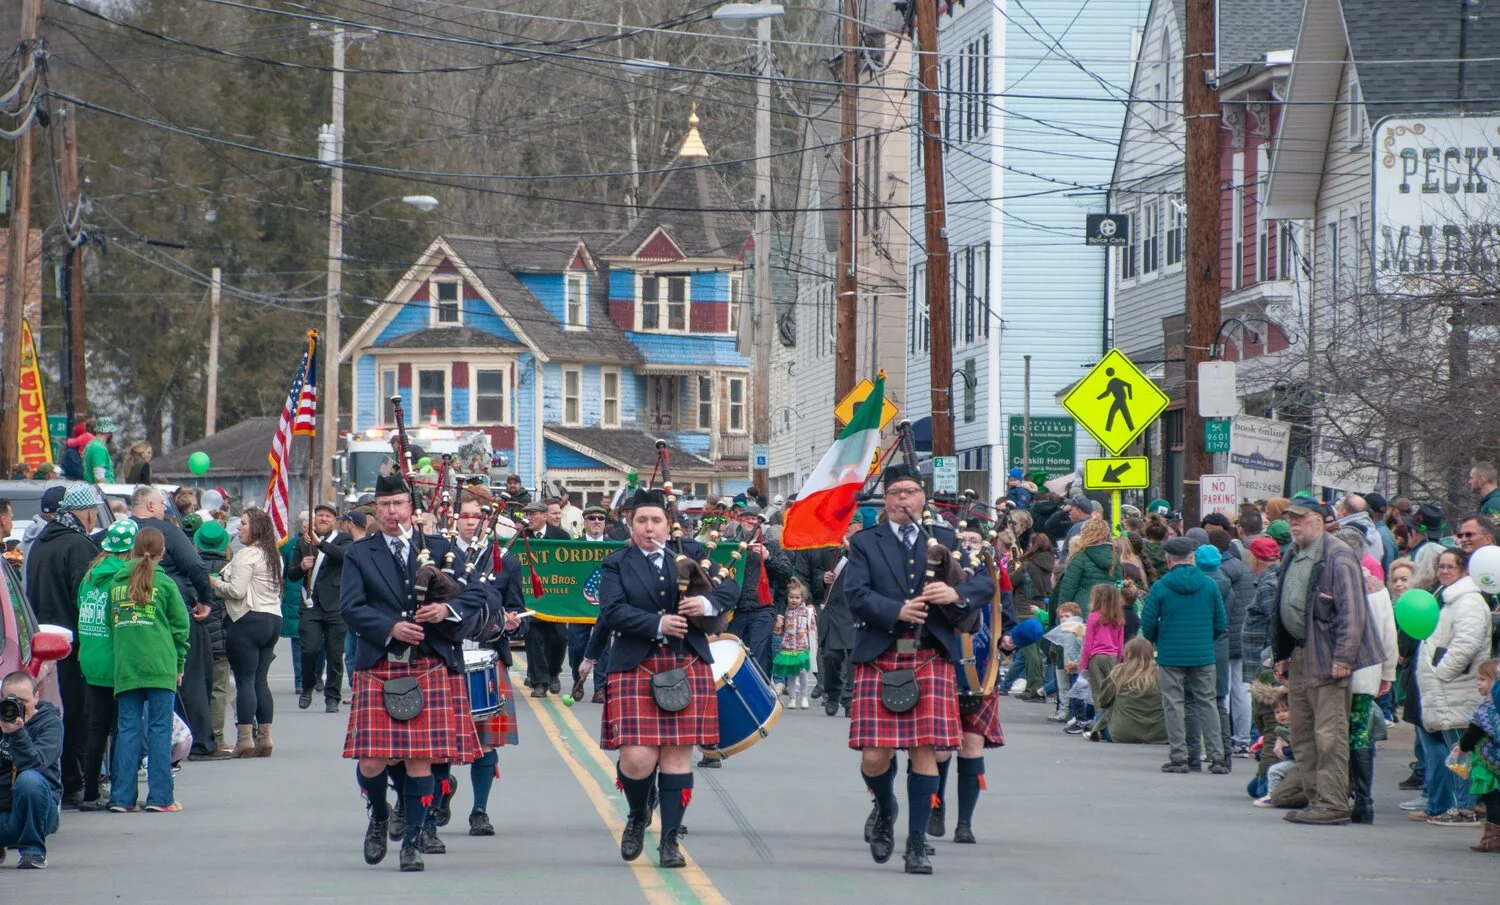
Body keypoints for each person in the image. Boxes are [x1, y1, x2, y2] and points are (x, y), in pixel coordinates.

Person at [845, 465, 994, 875]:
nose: (903, 499)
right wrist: (897, 610)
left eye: (910, 491)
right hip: (882, 652)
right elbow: (854, 595)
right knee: (875, 756)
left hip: (930, 655)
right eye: (895, 493)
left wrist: (955, 593)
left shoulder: (945, 539)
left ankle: (916, 845)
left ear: (922, 497)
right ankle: (884, 804)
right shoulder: (865, 543)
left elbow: (986, 583)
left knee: (924, 750)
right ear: (886, 499)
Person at [341, 470, 489, 872]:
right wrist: (389, 627)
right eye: (385, 505)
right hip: (381, 663)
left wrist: (446, 608)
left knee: (419, 760)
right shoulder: (360, 553)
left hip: (429, 662)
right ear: (377, 509)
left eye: (399, 504)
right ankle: (378, 813)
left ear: (411, 508)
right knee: (372, 762)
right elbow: (351, 608)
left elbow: (481, 593)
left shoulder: (440, 548)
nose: (392, 512)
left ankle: (411, 843)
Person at [596, 487, 739, 870]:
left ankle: (671, 840)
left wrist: (706, 603)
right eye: (641, 520)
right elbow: (611, 611)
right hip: (636, 663)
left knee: (677, 756)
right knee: (637, 759)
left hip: (685, 662)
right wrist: (657, 622)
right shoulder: (617, 563)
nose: (649, 528)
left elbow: (730, 587)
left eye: (655, 520)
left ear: (666, 523)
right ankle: (639, 813)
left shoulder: (690, 553)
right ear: (630, 524)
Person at [1269, 497, 1384, 825]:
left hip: (1328, 657)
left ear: (1319, 520)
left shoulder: (1337, 554)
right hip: (1301, 653)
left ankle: (1333, 802)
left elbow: (1353, 611)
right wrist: (1282, 654)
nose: (1294, 524)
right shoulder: (1294, 552)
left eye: (1301, 519)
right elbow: (1285, 605)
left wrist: (1344, 657)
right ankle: (1317, 798)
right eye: (1291, 518)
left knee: (1329, 734)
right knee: (1303, 733)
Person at [23, 482, 102, 807]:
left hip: (41, 645)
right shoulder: (79, 546)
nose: (95, 518)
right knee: (79, 714)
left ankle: (58, 780)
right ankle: (75, 782)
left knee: (49, 714)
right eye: (94, 512)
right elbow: (85, 600)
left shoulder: (41, 542)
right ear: (84, 512)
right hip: (71, 645)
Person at [107, 527, 191, 813]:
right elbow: (181, 629)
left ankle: (121, 798)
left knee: (127, 730)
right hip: (159, 666)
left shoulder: (116, 584)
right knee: (159, 729)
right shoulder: (165, 585)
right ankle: (160, 797)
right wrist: (178, 664)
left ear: (133, 549)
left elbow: (110, 624)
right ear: (162, 552)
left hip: (126, 667)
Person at [128, 485, 215, 758]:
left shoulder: (116, 533)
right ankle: (198, 741)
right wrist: (206, 600)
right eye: (162, 504)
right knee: (190, 677)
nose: (166, 508)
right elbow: (196, 566)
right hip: (171, 613)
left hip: (128, 620)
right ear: (151, 507)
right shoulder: (167, 533)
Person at [1413, 548, 1492, 827]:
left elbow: (1466, 645)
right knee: (1455, 752)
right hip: (1447, 690)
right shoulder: (1447, 599)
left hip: (1457, 688)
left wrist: (1442, 673)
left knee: (1462, 751)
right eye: (1441, 566)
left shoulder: (1467, 601)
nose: (1444, 571)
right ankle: (1457, 805)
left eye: (1450, 567)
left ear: (1464, 570)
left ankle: (1464, 808)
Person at [1141, 536, 1228, 774]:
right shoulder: (1209, 585)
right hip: (1203, 654)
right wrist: (1205, 640)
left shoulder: (1161, 586)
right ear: (1192, 558)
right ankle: (1216, 757)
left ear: (1168, 559)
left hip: (1170, 654)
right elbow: (1221, 623)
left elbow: (1147, 623)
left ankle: (1179, 757)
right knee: (1207, 703)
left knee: (1173, 704)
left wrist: (1160, 639)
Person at [1335, 528, 1397, 825]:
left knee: (1335, 731)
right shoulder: (1377, 588)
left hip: (1337, 670)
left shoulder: (1333, 582)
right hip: (1368, 671)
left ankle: (1339, 792)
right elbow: (1388, 635)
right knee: (1359, 732)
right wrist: (1387, 673)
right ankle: (1364, 799)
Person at [74, 519, 138, 808]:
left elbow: (80, 610)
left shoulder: (89, 576)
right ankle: (119, 787)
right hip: (116, 662)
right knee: (122, 727)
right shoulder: (122, 579)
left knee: (96, 729)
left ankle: (90, 792)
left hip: (90, 659)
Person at [211, 509, 285, 759]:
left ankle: (244, 739)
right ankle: (266, 737)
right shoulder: (274, 556)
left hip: (247, 618)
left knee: (244, 681)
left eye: (243, 524)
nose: (238, 528)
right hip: (273, 619)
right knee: (260, 680)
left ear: (255, 529)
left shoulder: (247, 555)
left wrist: (214, 584)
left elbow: (236, 590)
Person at [287, 503, 352, 713]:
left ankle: (332, 696)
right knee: (310, 649)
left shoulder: (343, 540)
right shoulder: (302, 542)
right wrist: (301, 567)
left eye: (328, 516)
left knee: (334, 655)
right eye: (320, 515)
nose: (323, 519)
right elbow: (292, 573)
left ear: (335, 521)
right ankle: (307, 686)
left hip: (335, 605)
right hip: (311, 604)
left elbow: (342, 555)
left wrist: (320, 544)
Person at [0, 671, 63, 868]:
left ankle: (33, 852)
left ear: (37, 696)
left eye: (23, 701)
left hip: (41, 810)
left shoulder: (50, 724)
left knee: (29, 779)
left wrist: (17, 733)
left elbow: (35, 766)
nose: (17, 707)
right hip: (5, 810)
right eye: (11, 701)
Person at [192, 520, 233, 756]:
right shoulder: (230, 568)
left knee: (196, 687)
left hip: (197, 636)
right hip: (223, 636)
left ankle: (196, 735)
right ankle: (216, 736)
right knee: (219, 688)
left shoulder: (193, 568)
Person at [817, 516, 862, 717]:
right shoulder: (828, 549)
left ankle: (850, 698)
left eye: (848, 524)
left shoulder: (865, 548)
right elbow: (814, 573)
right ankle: (833, 694)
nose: (844, 528)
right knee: (831, 658)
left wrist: (851, 550)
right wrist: (823, 578)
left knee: (853, 660)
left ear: (858, 526)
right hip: (833, 611)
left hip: (854, 611)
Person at [1454, 658, 1500, 852]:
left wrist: (1461, 747)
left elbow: (1473, 733)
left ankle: (1492, 838)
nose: (1478, 683)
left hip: (1489, 765)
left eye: (1482, 679)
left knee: (1492, 799)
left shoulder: (1487, 710)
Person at [1092, 637, 1167, 743]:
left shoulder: (1118, 674)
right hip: (1158, 735)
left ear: (1127, 654)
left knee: (1101, 714)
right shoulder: (1161, 675)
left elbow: (1104, 701)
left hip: (1119, 734)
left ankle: (1099, 731)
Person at [1080, 583, 1126, 715]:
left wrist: (1084, 664)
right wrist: (1118, 661)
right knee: (1112, 692)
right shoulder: (1118, 618)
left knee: (1098, 692)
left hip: (1096, 656)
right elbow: (1120, 642)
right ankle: (1112, 724)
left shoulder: (1093, 617)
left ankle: (1099, 726)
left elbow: (1088, 642)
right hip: (1112, 657)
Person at [773, 579, 817, 708]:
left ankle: (804, 696)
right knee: (791, 674)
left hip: (803, 646)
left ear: (802, 598)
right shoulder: (785, 612)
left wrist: (813, 645)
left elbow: (812, 629)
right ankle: (792, 697)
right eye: (791, 597)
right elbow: (780, 630)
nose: (794, 600)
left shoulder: (807, 612)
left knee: (803, 672)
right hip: (788, 646)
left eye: (797, 597)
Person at [83, 417, 116, 484]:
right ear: (109, 433)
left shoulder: (91, 445)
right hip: (101, 492)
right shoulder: (99, 449)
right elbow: (99, 479)